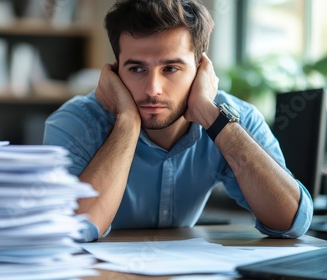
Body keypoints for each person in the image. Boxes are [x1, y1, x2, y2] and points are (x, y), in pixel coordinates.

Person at [43, 0, 313, 242]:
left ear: (201, 70)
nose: (153, 89)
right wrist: (127, 122)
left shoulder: (234, 118)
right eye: (137, 68)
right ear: (115, 70)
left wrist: (211, 116)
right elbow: (76, 227)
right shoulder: (75, 123)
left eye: (170, 68)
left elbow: (291, 222)